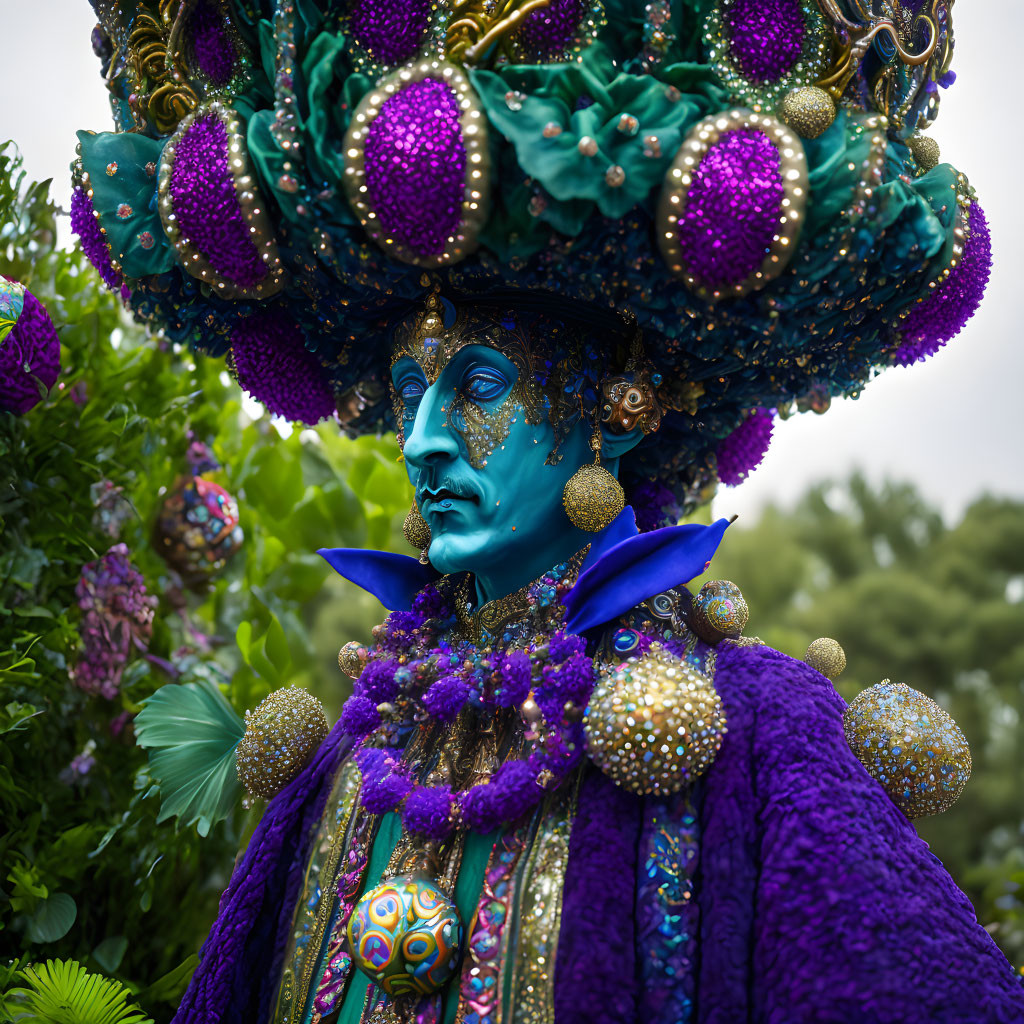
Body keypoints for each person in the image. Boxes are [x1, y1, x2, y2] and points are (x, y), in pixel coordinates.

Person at [74, 0, 1023, 1021]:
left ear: (613, 414)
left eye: (476, 386)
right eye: (407, 392)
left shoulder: (756, 736)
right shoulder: (348, 758)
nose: (426, 436)